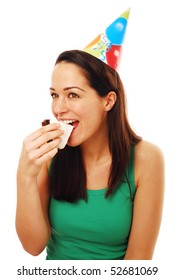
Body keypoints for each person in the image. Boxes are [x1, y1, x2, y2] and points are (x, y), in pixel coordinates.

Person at [16, 49, 164, 260]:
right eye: (54, 95)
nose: (58, 109)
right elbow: (33, 246)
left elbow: (138, 264)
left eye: (73, 95)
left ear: (108, 101)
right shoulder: (51, 153)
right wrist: (25, 176)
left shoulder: (147, 159)